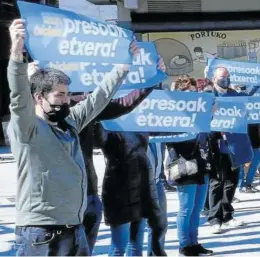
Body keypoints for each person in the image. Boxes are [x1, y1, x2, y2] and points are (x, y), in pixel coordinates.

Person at [8, 19, 138, 256]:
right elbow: (18, 96)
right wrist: (16, 53)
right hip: (42, 232)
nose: (66, 100)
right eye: (59, 95)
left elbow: (98, 98)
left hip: (75, 229)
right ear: (38, 98)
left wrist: (122, 67)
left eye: (67, 94)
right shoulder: (27, 128)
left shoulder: (69, 123)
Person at [68, 87, 155, 254]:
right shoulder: (97, 118)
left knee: (135, 243)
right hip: (116, 188)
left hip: (134, 187)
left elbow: (126, 104)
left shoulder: (139, 122)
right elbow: (100, 141)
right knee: (118, 246)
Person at [165, 77, 214, 256]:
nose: (192, 96)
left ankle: (194, 242)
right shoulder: (172, 114)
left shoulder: (200, 112)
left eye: (194, 92)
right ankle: (184, 245)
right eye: (187, 93)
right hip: (183, 162)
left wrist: (209, 114)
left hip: (202, 162)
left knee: (197, 207)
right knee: (186, 207)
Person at [205, 67, 250, 234]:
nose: (226, 80)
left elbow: (247, 109)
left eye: (228, 77)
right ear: (214, 78)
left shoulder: (235, 95)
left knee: (231, 181)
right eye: (223, 77)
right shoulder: (208, 96)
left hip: (234, 144)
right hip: (216, 145)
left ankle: (227, 215)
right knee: (216, 182)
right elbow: (201, 120)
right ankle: (214, 219)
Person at [147, 142, 168, 256]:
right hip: (140, 183)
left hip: (157, 181)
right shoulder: (134, 128)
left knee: (161, 224)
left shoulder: (160, 132)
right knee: (136, 230)